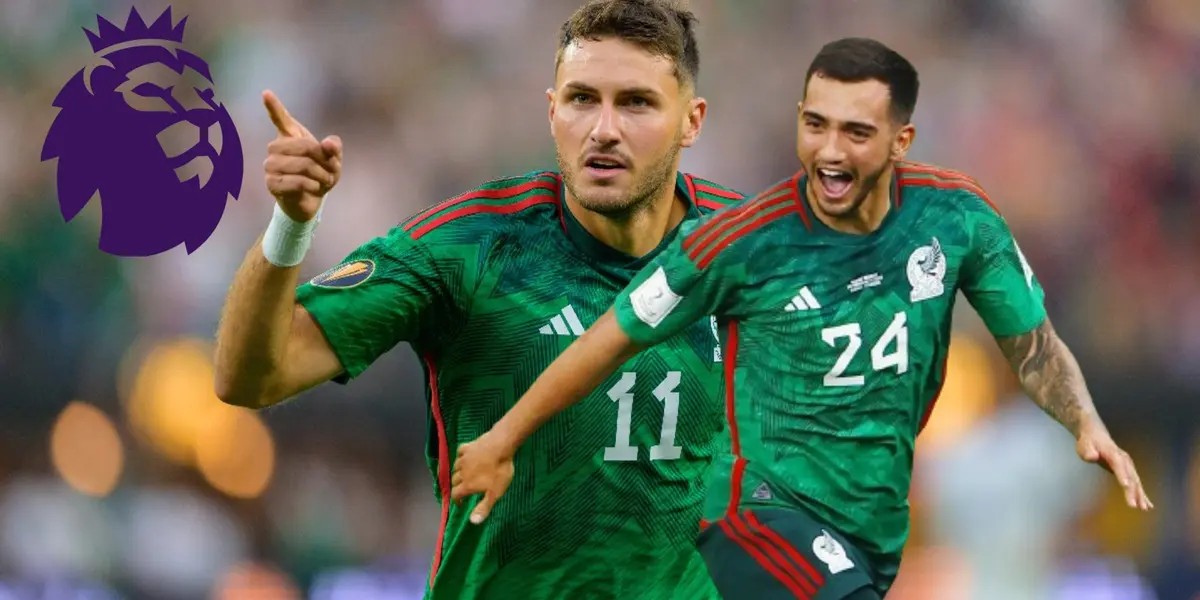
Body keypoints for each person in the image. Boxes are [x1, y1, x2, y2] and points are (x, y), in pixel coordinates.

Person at [449, 37, 1154, 600]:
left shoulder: (957, 220)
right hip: (758, 515)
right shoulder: (740, 242)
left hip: (869, 535)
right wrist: (505, 435)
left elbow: (1032, 343)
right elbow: (610, 337)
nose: (829, 151)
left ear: (900, 142)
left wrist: (1085, 421)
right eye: (814, 125)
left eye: (855, 131)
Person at [212, 1, 743, 598]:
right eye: (582, 99)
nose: (604, 129)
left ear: (691, 121)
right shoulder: (471, 246)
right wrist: (290, 224)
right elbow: (249, 377)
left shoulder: (758, 256)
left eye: (637, 103)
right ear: (551, 111)